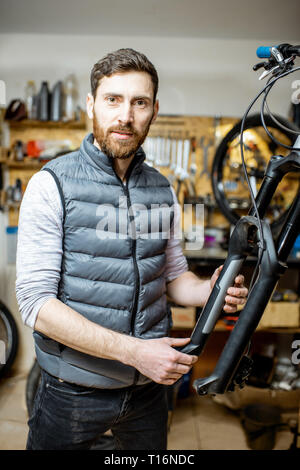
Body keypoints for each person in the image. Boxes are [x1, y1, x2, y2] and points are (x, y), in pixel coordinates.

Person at [16, 48, 248, 450]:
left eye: (139, 102)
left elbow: (173, 277)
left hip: (147, 393)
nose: (126, 115)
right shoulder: (51, 184)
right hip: (74, 390)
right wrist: (135, 352)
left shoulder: (160, 189)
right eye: (113, 100)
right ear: (91, 105)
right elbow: (36, 305)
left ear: (154, 109)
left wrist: (209, 291)